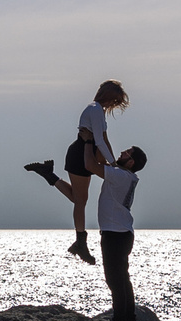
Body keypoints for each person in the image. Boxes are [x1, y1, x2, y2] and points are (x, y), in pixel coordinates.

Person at [23, 79, 129, 263]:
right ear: (109, 96)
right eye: (115, 100)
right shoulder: (94, 109)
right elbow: (99, 141)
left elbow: (105, 139)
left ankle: (48, 174)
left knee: (78, 198)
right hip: (80, 154)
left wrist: (113, 164)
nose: (115, 104)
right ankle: (81, 244)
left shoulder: (99, 111)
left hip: (85, 154)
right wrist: (112, 164)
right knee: (80, 201)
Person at [94, 145, 148, 321]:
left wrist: (87, 142)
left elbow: (90, 165)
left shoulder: (120, 175)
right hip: (122, 233)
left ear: (131, 161)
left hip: (115, 234)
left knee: (114, 280)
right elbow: (103, 162)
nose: (123, 152)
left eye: (127, 152)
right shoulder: (126, 175)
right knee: (123, 279)